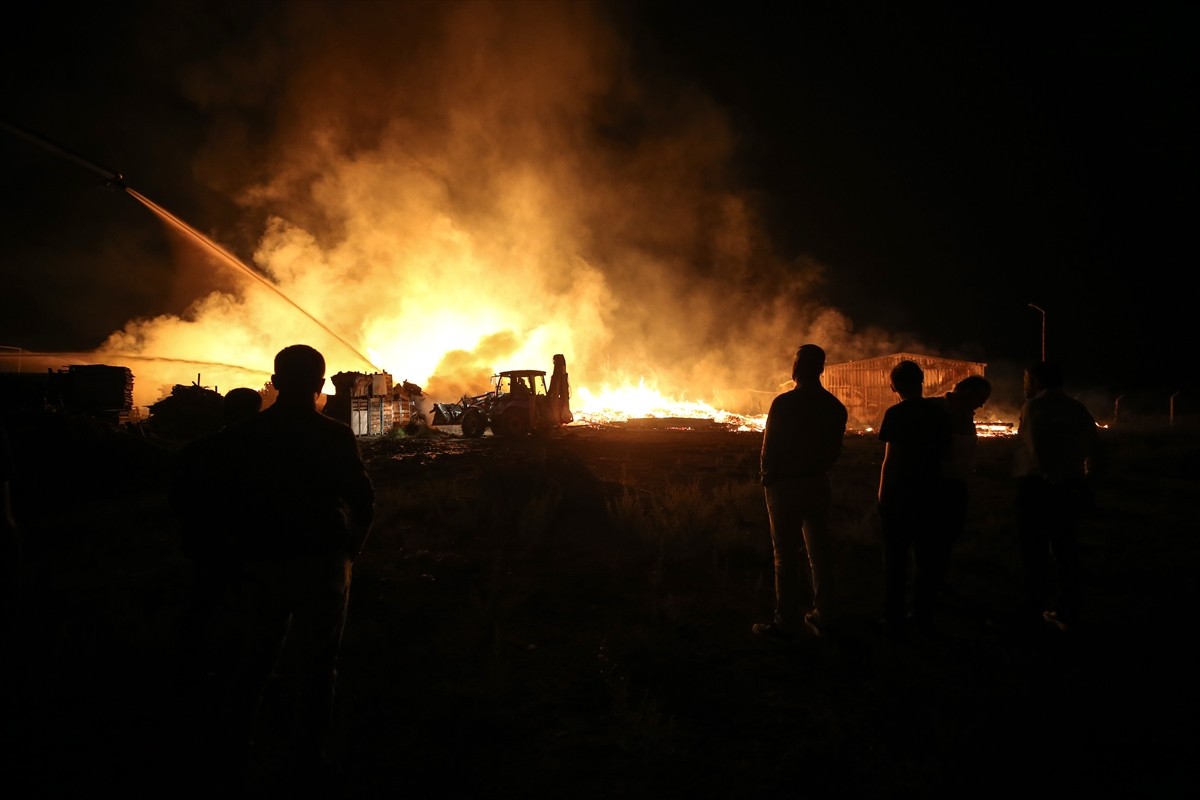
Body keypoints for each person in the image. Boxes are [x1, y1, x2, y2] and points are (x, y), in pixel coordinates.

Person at [218, 345, 375, 775]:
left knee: (253, 659)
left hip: (261, 562)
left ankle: (234, 753)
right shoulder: (335, 436)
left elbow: (223, 504)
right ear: (321, 386)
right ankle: (307, 759)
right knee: (319, 667)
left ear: (275, 382)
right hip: (323, 563)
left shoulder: (245, 436)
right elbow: (364, 500)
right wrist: (351, 551)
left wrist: (233, 557)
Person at [753, 344, 848, 642]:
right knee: (820, 553)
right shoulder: (835, 407)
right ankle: (825, 615)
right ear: (821, 369)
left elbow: (770, 447)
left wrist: (767, 477)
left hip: (785, 486)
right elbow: (834, 451)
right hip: (818, 484)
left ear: (796, 368)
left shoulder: (784, 403)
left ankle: (786, 622)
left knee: (785, 555)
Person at [170, 387, 264, 686]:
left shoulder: (198, 449)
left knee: (202, 604)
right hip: (250, 544)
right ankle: (245, 672)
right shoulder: (265, 454)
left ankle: (186, 667)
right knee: (253, 611)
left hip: (206, 542)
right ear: (257, 414)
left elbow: (178, 499)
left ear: (224, 412)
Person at [1013, 360, 1101, 635]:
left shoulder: (1034, 406)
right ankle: (1068, 608)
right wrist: (1086, 480)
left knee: (1035, 551)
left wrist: (1052, 479)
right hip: (1070, 484)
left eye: (1025, 379)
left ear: (1037, 381)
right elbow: (1094, 447)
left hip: (1039, 487)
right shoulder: (1076, 407)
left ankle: (1033, 610)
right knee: (1066, 549)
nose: (1024, 385)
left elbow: (1038, 448)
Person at [876, 360, 952, 638]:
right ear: (922, 383)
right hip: (932, 491)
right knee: (927, 558)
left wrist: (882, 495)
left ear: (893, 386)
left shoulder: (896, 413)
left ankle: (893, 616)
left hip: (900, 494)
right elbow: (946, 453)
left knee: (895, 559)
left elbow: (891, 459)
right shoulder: (938, 413)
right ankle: (923, 616)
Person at [933, 375, 992, 593]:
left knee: (951, 534)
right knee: (933, 536)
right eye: (980, 399)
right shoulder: (936, 410)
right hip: (936, 486)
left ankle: (939, 577)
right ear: (967, 393)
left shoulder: (966, 414)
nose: (981, 405)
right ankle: (929, 582)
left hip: (957, 485)